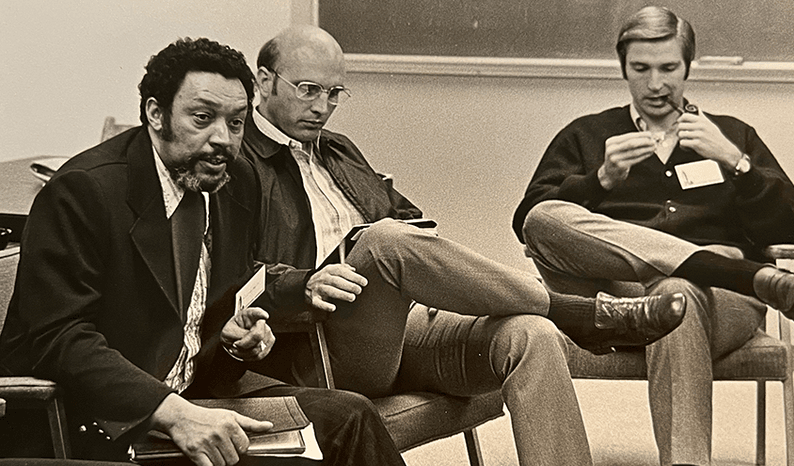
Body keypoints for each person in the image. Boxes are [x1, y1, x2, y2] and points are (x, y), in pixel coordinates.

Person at [242, 25, 688, 466]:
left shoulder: (337, 149)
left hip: (402, 323)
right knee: (382, 243)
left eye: (335, 92)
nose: (323, 107)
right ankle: (580, 312)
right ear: (264, 81)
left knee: (529, 334)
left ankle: (561, 321)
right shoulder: (237, 160)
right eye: (308, 90)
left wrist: (428, 263)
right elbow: (230, 273)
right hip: (323, 342)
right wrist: (306, 281)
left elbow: (407, 217)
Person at [0, 37, 406, 466]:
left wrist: (234, 343)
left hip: (194, 401)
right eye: (202, 118)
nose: (223, 139)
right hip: (101, 422)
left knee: (350, 415)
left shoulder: (232, 183)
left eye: (235, 123)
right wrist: (172, 414)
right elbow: (59, 339)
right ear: (156, 115)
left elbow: (208, 317)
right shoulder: (84, 190)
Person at [513, 6, 794, 466]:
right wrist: (600, 181)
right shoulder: (587, 135)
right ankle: (731, 269)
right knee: (545, 217)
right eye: (641, 69)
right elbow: (531, 224)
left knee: (677, 292)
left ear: (688, 67)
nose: (656, 84)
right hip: (619, 301)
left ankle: (711, 273)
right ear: (624, 69)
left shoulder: (731, 134)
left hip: (722, 301)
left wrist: (738, 163)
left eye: (669, 68)